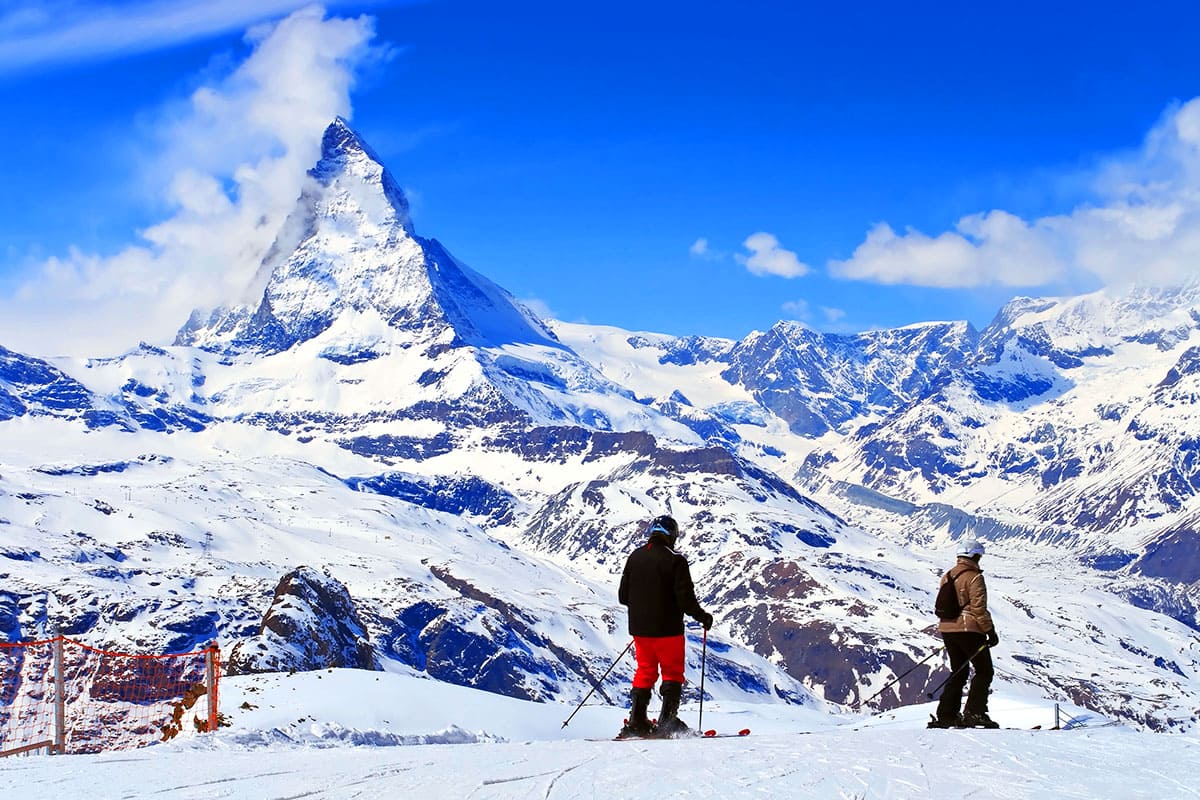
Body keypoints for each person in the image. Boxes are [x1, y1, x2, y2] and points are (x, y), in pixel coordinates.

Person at [616, 515, 713, 738]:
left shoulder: (635, 557)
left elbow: (623, 596)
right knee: (672, 672)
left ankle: (637, 721)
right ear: (672, 535)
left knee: (645, 670)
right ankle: (667, 721)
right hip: (668, 629)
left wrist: (644, 607)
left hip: (640, 629)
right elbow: (686, 600)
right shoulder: (675, 560)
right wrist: (703, 617)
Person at [931, 537, 1000, 728]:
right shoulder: (975, 577)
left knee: (958, 671)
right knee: (984, 671)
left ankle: (946, 714)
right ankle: (975, 713)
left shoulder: (948, 575)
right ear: (975, 556)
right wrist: (990, 631)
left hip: (947, 628)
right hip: (969, 629)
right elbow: (978, 608)